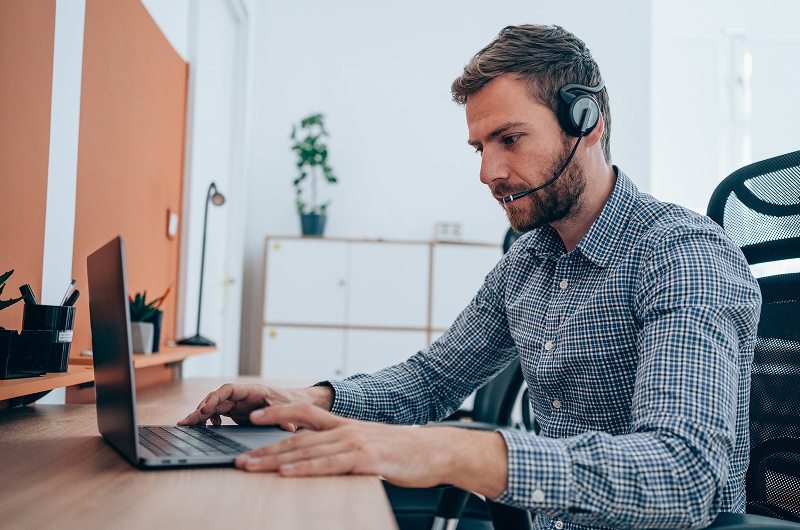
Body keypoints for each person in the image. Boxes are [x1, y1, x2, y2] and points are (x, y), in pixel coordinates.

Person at [180, 25, 761, 529]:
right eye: (479, 147)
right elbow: (433, 380)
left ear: (585, 122)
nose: (488, 172)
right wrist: (311, 398)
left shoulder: (683, 254)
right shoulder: (528, 263)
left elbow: (685, 472)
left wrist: (451, 451)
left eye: (509, 139)